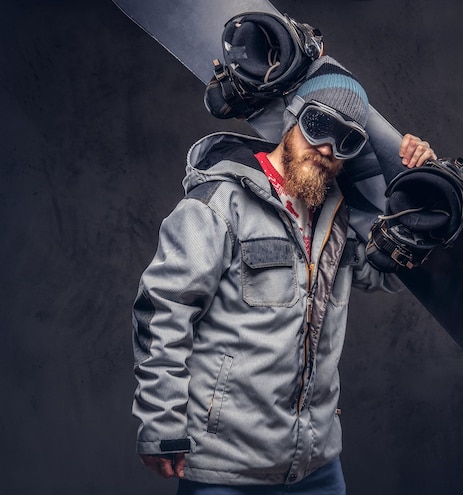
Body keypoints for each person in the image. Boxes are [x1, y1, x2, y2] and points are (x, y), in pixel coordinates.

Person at [132, 55, 437, 494]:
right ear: (292, 119)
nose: (328, 148)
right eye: (319, 126)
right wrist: (161, 423)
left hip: (316, 467)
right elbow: (164, 308)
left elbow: (387, 272)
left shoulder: (337, 219)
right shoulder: (219, 203)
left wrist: (417, 183)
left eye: (347, 140)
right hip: (226, 467)